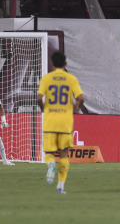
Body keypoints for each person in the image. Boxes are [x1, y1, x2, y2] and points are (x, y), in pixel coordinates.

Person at [37, 51, 84, 194]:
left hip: (50, 120)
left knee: (49, 153)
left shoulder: (46, 78)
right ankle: (60, 187)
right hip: (65, 122)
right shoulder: (71, 79)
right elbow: (81, 97)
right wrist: (76, 107)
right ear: (65, 64)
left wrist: (44, 109)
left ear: (52, 63)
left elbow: (39, 98)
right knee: (64, 154)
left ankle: (51, 163)